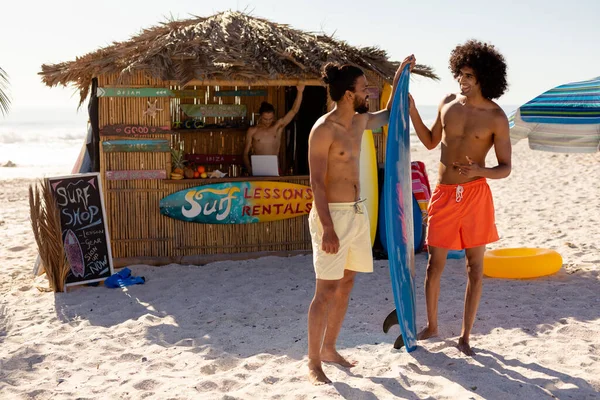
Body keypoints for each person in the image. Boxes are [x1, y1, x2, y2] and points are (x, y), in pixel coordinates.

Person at [306, 55, 416, 384]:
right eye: (363, 87)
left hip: (356, 213)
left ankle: (329, 348)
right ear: (349, 93)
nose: (368, 91)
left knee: (347, 284)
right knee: (325, 291)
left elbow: (391, 115)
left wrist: (400, 78)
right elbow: (316, 182)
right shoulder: (323, 129)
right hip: (333, 217)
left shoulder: (359, 122)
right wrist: (327, 227)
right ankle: (313, 362)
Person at [409, 39, 511, 356]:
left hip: (476, 196)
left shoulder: (496, 117)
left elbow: (506, 168)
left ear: (483, 77)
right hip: (444, 193)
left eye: (468, 76)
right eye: (460, 74)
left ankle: (466, 336)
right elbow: (429, 142)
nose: (461, 81)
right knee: (433, 265)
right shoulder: (448, 103)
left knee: (474, 268)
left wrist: (480, 170)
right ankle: (432, 325)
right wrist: (413, 112)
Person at [243, 86, 305, 174]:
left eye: (270, 119)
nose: (268, 121)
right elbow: (245, 153)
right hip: (257, 168)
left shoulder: (278, 126)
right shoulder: (252, 130)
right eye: (265, 119)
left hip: (274, 167)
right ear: (260, 116)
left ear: (274, 117)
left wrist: (300, 92)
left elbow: (294, 110)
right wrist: (249, 168)